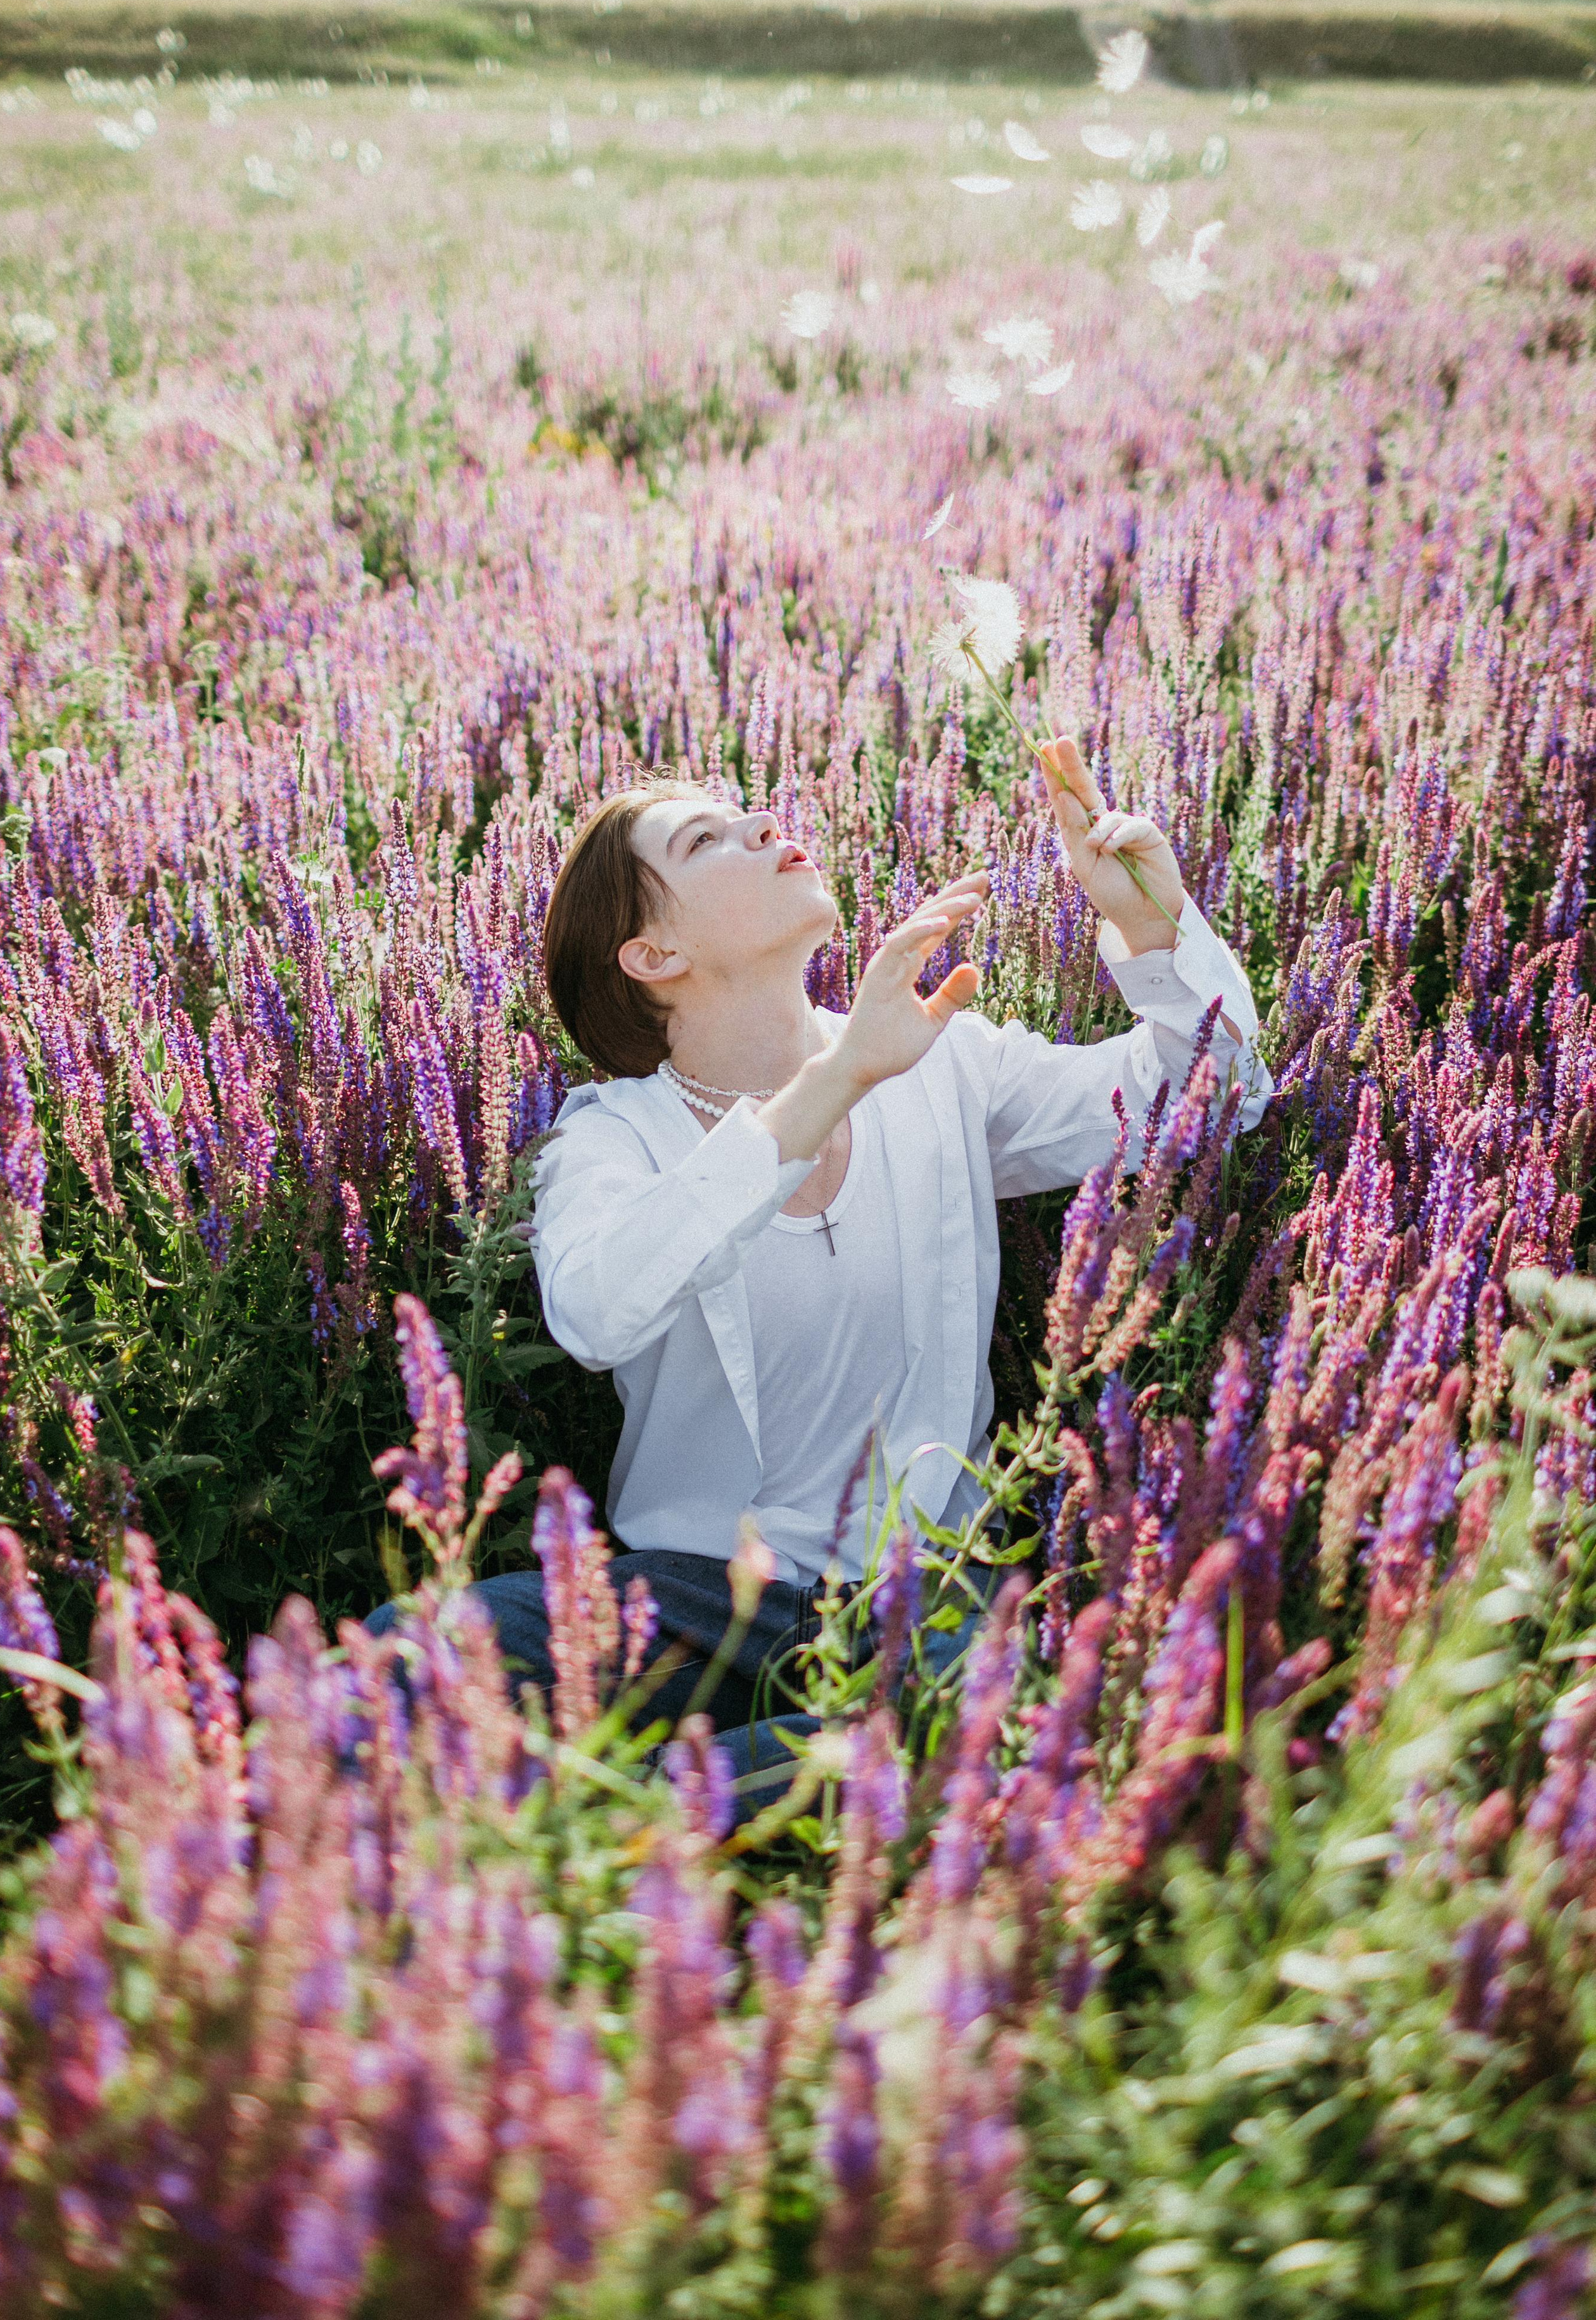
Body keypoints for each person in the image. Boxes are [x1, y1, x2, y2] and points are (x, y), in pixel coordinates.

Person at [371, 736, 1274, 1812]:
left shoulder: (941, 1061)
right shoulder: (608, 1139)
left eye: (745, 812)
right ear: (652, 955)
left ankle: (625, 1815)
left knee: (967, 1724)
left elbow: (1210, 1094)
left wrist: (1149, 926)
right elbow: (597, 1312)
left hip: (919, 1592)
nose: (760, 825)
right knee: (405, 1652)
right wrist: (840, 1076)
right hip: (697, 1599)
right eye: (705, 840)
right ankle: (717, 1805)